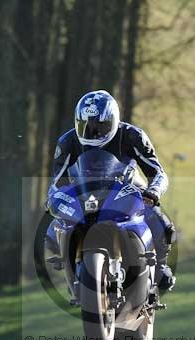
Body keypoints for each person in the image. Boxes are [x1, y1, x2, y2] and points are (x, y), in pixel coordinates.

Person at [48, 90, 176, 291]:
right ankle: (70, 265)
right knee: (53, 228)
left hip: (127, 186)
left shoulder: (133, 136)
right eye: (87, 126)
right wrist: (55, 199)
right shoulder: (68, 141)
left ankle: (159, 268)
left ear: (114, 120)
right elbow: (57, 182)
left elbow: (158, 173)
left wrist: (153, 193)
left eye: (99, 126)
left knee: (161, 222)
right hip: (84, 191)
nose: (93, 132)